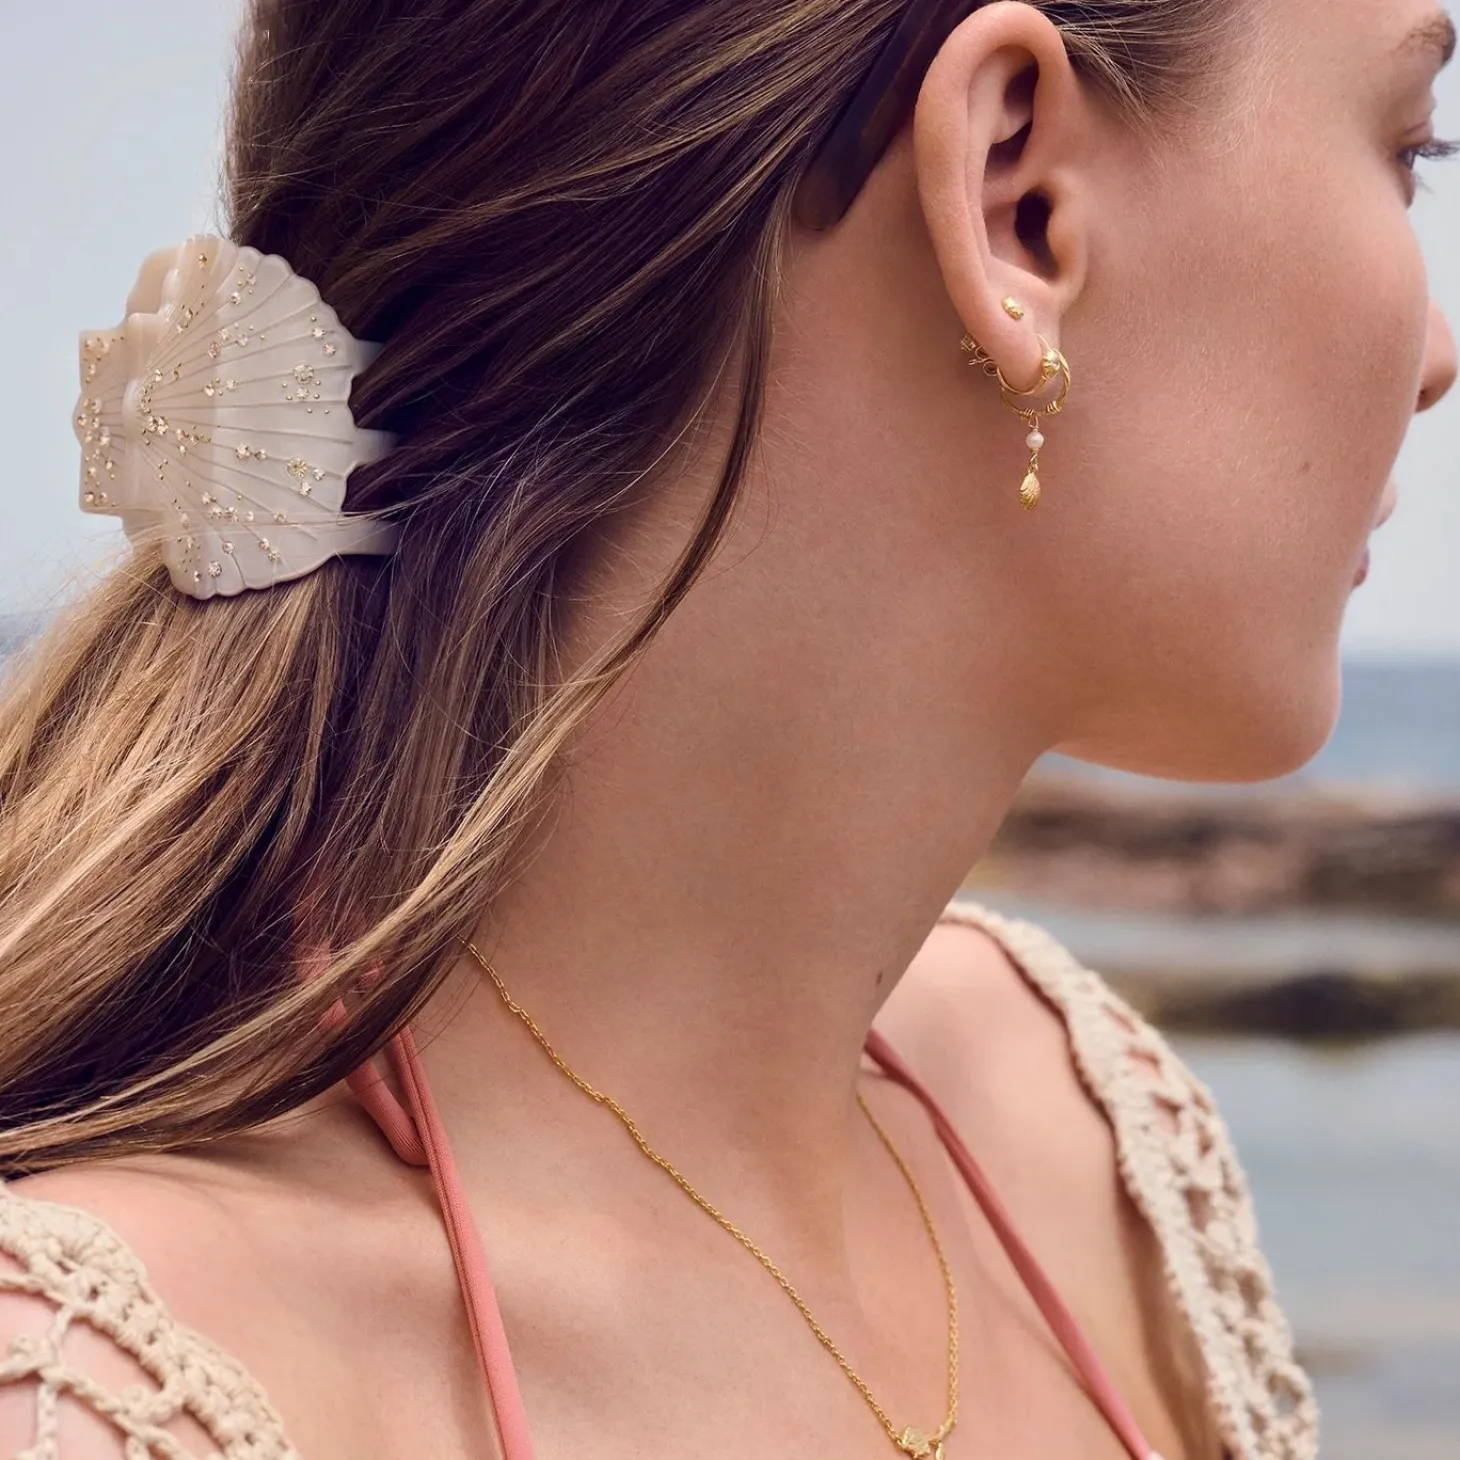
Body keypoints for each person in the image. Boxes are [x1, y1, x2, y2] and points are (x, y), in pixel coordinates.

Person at [0, 0, 1454, 1454]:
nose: (1441, 354)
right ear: (1018, 199)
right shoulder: (97, 1398)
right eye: (1407, 146)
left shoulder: (1084, 1131)